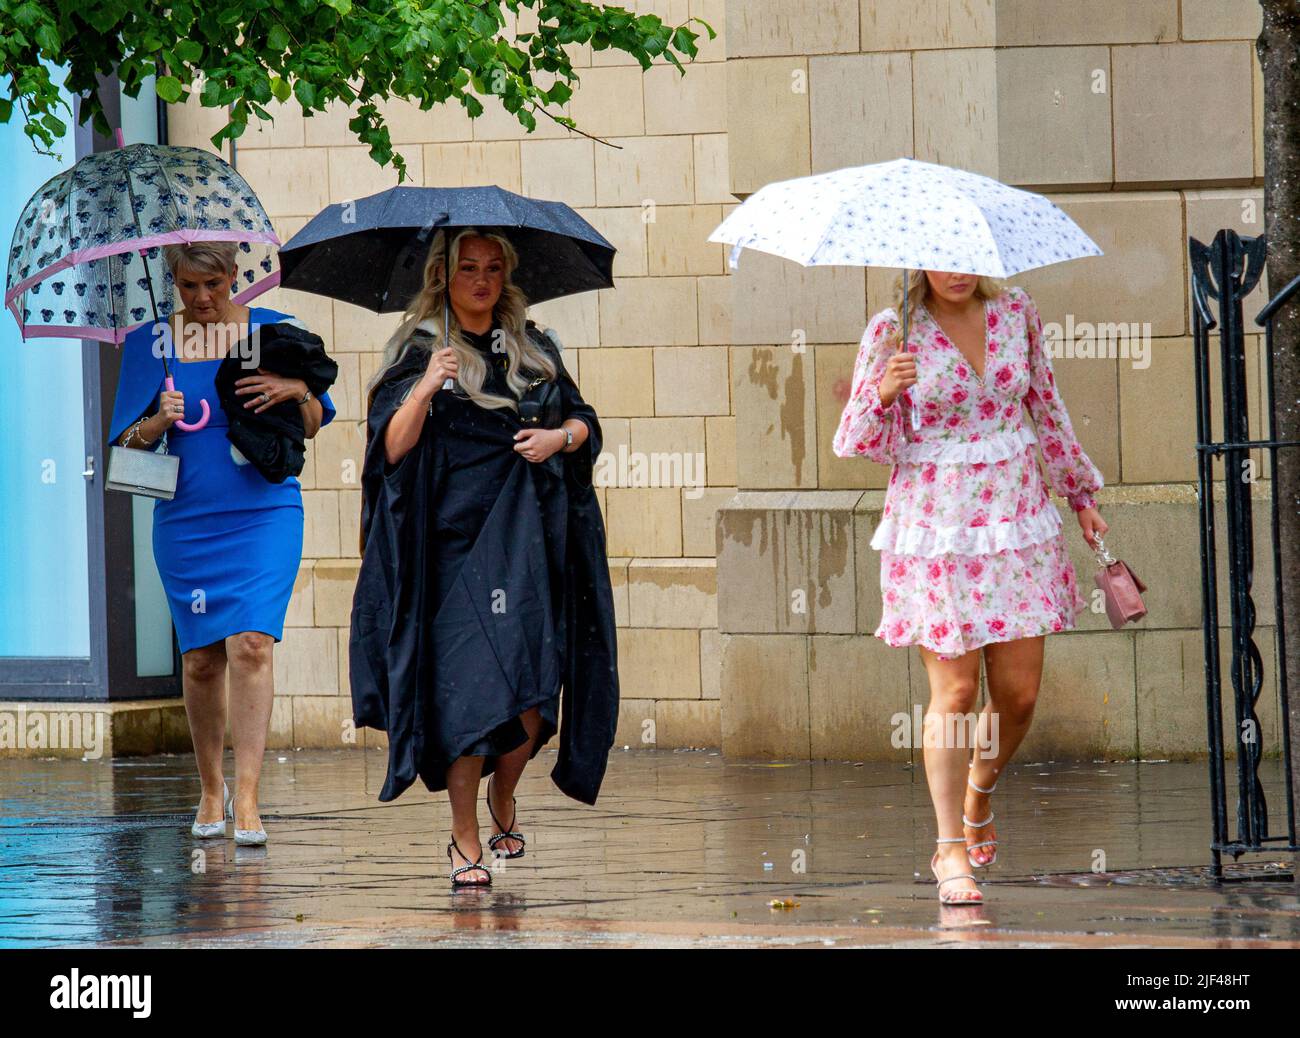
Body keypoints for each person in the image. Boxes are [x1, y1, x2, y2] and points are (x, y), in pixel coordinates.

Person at [349, 227, 619, 888]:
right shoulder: (420, 351)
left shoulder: (534, 348)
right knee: (467, 702)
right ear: (445, 275)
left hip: (528, 546)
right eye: (468, 267)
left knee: (530, 695)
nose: (481, 279)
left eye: (493, 268)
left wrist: (560, 436)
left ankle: (507, 789)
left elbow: (587, 423)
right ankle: (464, 838)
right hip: (450, 552)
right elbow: (389, 452)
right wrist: (426, 385)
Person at [832, 270, 1108, 905]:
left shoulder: (1017, 315)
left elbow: (1048, 406)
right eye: (939, 259)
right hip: (936, 526)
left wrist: (1080, 493)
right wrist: (881, 391)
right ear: (918, 263)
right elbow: (855, 442)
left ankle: (979, 791)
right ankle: (949, 847)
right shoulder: (892, 330)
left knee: (1020, 693)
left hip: (1016, 520)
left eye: (964, 258)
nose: (953, 272)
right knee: (955, 692)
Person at [108, 241, 337, 846]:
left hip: (264, 509)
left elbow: (316, 418)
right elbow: (124, 445)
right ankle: (212, 788)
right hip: (186, 516)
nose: (204, 298)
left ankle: (251, 798)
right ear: (174, 284)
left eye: (214, 284)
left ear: (235, 276)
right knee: (202, 657)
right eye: (189, 287)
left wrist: (298, 394)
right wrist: (157, 419)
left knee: (252, 644)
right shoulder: (150, 344)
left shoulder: (272, 331)